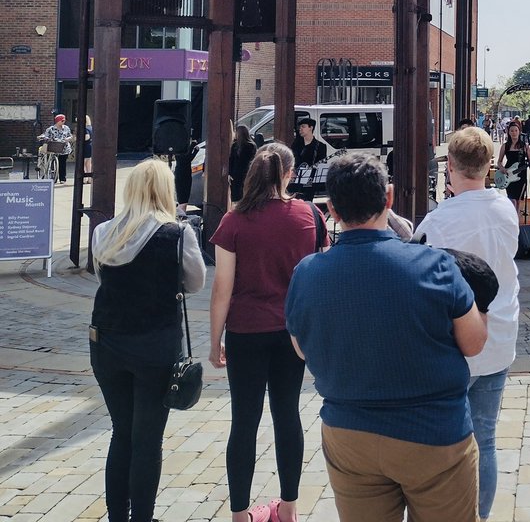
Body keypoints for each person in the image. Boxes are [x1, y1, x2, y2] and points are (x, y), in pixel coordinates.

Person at [285, 151, 487, 522]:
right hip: (433, 432)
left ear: (332, 209)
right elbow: (474, 343)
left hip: (350, 434)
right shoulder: (435, 265)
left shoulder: (307, 273)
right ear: (389, 198)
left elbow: (301, 350)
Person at [209, 143, 327, 522]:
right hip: (291, 332)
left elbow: (222, 287)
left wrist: (214, 339)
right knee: (287, 413)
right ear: (288, 174)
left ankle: (240, 514)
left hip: (245, 330)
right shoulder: (310, 215)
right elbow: (320, 275)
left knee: (244, 421)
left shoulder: (234, 220)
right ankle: (288, 508)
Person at [90, 159, 206, 522]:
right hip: (155, 344)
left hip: (107, 341)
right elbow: (196, 282)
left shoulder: (103, 232)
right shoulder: (177, 234)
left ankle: (117, 517)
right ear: (166, 190)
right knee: (147, 438)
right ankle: (142, 516)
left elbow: (103, 277)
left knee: (121, 432)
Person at [420, 127, 520, 520]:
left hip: (454, 345)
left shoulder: (439, 219)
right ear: (489, 165)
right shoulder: (505, 209)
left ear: (451, 166)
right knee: (486, 438)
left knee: (444, 442)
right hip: (500, 334)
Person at [497, 118, 530, 207]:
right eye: (512, 131)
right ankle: (512, 215)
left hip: (521, 175)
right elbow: (499, 161)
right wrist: (502, 168)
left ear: (519, 132)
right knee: (511, 199)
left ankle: (517, 216)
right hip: (508, 174)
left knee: (518, 201)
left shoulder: (525, 146)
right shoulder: (505, 146)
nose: (514, 133)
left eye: (516, 130)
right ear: (508, 132)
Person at [38, 113, 73, 184]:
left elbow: (70, 136)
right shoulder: (51, 129)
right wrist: (42, 137)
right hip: (54, 147)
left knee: (62, 163)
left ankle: (62, 178)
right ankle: (53, 176)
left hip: (64, 148)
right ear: (58, 121)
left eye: (64, 120)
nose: (63, 122)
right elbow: (45, 135)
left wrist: (68, 139)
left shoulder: (66, 128)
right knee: (52, 161)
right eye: (62, 121)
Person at [228, 125, 257, 204]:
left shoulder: (235, 145)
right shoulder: (251, 145)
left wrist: (230, 172)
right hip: (246, 172)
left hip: (236, 173)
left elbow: (231, 160)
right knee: (244, 193)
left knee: (236, 194)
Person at [83, 114, 94, 183]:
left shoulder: (85, 129)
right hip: (91, 146)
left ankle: (84, 179)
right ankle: (90, 179)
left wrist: (79, 139)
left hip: (85, 146)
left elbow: (87, 137)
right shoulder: (91, 128)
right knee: (89, 164)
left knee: (83, 163)